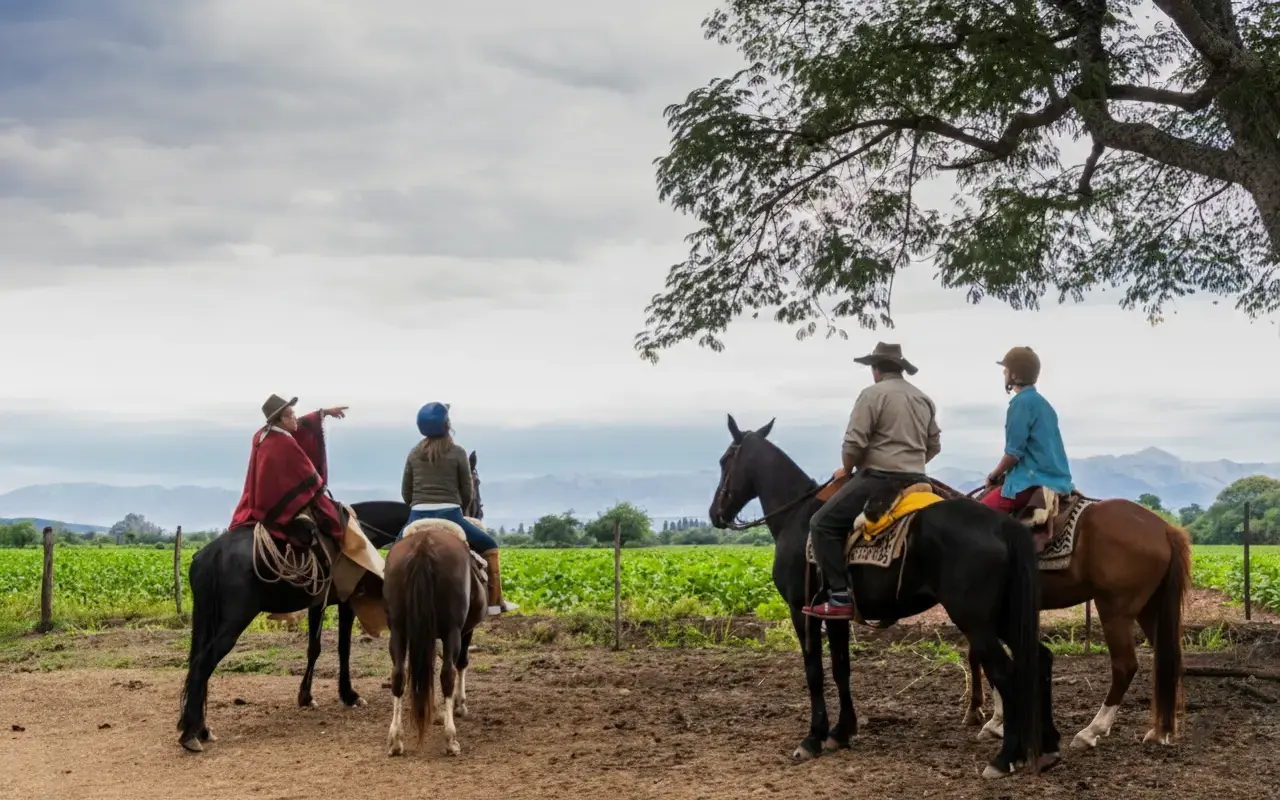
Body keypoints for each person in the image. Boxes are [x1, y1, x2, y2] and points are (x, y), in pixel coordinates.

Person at [802, 343, 941, 621]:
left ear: (875, 370)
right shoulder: (923, 399)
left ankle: (840, 596)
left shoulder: (871, 394)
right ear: (900, 368)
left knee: (821, 524)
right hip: (918, 479)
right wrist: (911, 461)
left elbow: (854, 443)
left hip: (878, 477)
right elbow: (934, 445)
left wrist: (847, 467)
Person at [398, 401, 518, 615]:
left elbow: (406, 492)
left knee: (394, 556)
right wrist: (458, 506)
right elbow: (467, 491)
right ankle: (494, 602)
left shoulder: (413, 453)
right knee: (490, 546)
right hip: (450, 514)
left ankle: (387, 603)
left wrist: (417, 505)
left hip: (417, 515)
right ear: (447, 425)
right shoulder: (458, 452)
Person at [229, 394, 349, 541]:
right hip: (274, 503)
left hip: (257, 498)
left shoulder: (262, 434)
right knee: (332, 520)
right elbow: (306, 473)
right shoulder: (284, 443)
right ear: (280, 420)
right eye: (290, 415)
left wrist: (325, 412)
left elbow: (301, 425)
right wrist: (319, 486)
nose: (295, 418)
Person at [980, 347, 1074, 513]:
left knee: (977, 515)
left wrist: (993, 475)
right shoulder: (1044, 405)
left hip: (1030, 481)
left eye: (1006, 370)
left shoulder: (1020, 403)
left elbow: (1013, 454)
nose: (1004, 374)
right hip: (1059, 481)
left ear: (1014, 375)